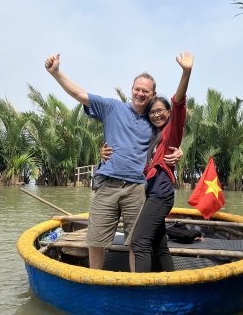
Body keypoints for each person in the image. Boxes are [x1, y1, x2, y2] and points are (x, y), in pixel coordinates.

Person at [45, 53, 182, 270]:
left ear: (152, 94)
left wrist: (179, 151)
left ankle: (132, 285)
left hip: (137, 188)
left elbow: (169, 137)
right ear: (132, 89)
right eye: (137, 88)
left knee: (135, 243)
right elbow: (80, 94)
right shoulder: (112, 108)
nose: (140, 93)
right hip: (108, 184)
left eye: (146, 90)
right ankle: (94, 280)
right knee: (95, 239)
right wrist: (56, 73)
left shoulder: (153, 119)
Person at [101, 51, 194, 272]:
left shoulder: (172, 131)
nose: (156, 115)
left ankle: (141, 291)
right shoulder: (152, 136)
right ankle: (170, 285)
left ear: (169, 113)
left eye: (160, 111)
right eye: (152, 112)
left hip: (160, 194)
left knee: (139, 242)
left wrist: (186, 72)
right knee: (159, 245)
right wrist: (103, 151)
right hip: (149, 193)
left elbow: (178, 102)